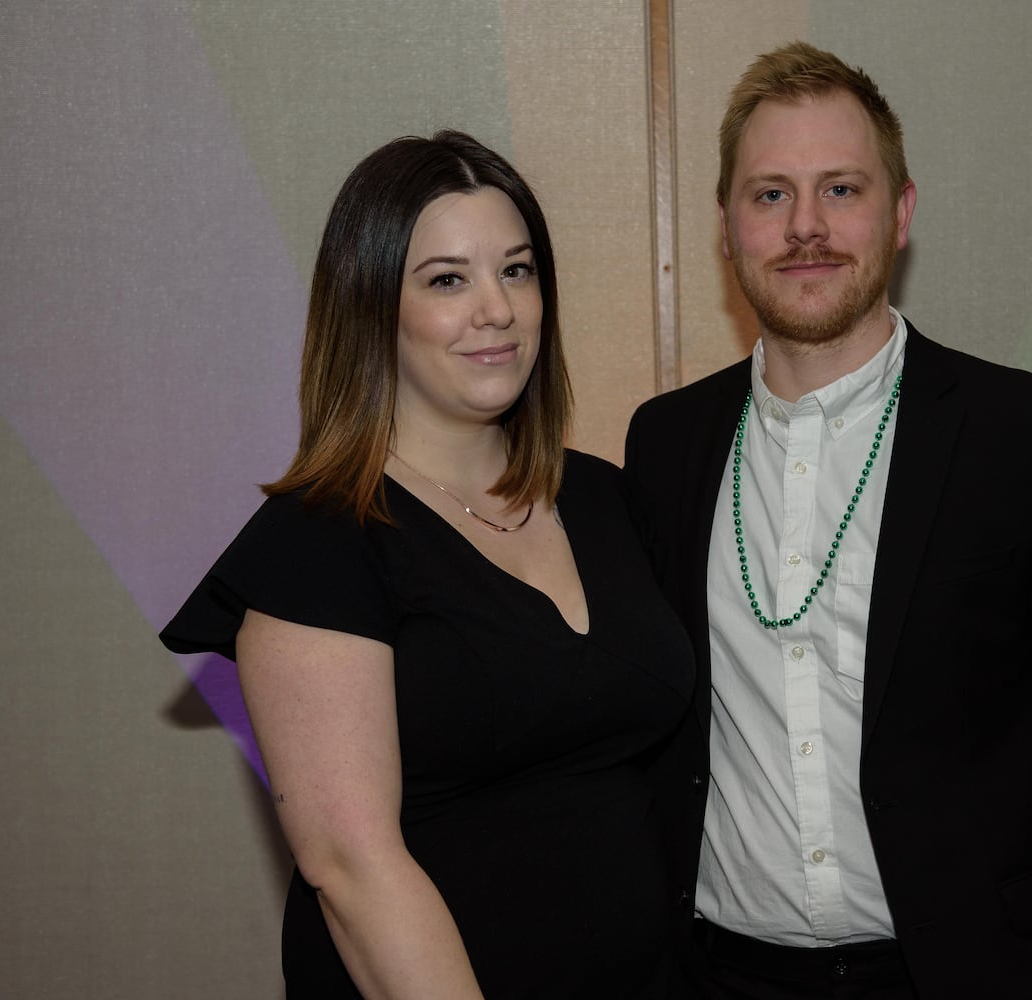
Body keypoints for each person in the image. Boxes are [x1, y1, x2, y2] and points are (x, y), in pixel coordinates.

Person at [625, 43, 1032, 999]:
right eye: (769, 195)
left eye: (841, 189)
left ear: (902, 212)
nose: (806, 227)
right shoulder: (665, 445)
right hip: (718, 976)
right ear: (725, 227)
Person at [161, 131, 693, 998]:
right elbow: (351, 867)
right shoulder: (319, 539)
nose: (497, 309)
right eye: (448, 279)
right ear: (372, 306)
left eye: (516, 271)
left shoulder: (604, 500)